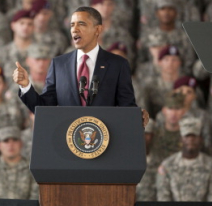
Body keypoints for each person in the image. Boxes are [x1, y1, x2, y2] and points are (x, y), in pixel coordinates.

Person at [14, 7, 145, 123]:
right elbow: (44, 109)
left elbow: (127, 108)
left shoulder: (118, 64)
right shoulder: (59, 64)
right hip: (68, 142)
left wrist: (138, 117)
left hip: (106, 142)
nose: (75, 29)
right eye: (72, 25)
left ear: (97, 29)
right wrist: (25, 86)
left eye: (81, 24)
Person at [156, 117, 212, 202]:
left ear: (201, 139)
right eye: (187, 136)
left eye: (194, 136)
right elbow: (163, 199)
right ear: (180, 139)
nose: (190, 139)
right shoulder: (167, 165)